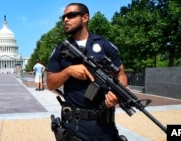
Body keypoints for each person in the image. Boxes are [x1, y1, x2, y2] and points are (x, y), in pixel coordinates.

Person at [47, 3, 128, 141]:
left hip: (105, 126)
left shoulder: (104, 45)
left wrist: (117, 95)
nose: (65, 19)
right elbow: (50, 83)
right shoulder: (60, 50)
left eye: (71, 15)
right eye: (64, 17)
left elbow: (120, 74)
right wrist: (68, 71)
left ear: (85, 18)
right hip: (75, 126)